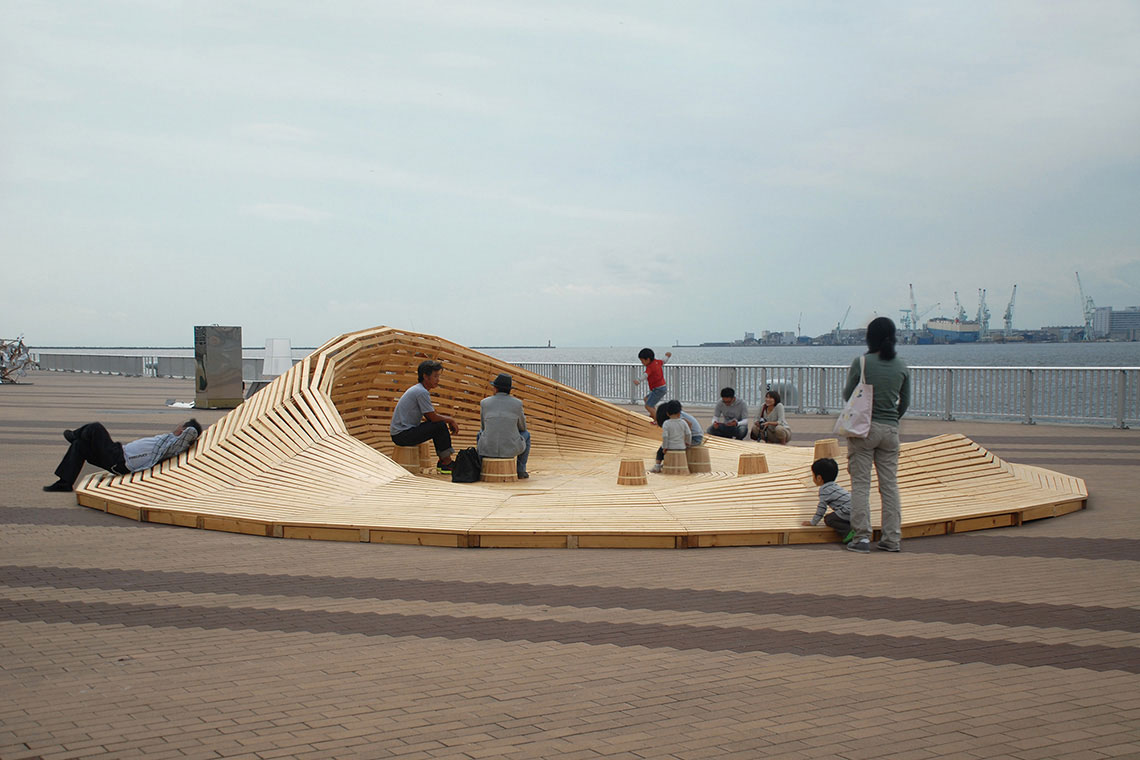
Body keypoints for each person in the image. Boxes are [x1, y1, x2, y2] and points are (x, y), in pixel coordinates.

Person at [843, 316, 911, 554]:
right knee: (890, 485)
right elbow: (905, 402)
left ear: (869, 337)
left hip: (864, 429)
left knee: (861, 484)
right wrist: (892, 418)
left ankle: (862, 537)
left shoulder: (862, 362)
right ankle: (892, 538)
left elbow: (847, 394)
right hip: (891, 430)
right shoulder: (901, 366)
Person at [43, 419, 202, 492]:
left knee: (96, 428)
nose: (178, 425)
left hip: (120, 459)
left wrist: (189, 430)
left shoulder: (173, 443)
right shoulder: (168, 440)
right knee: (80, 446)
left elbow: (190, 433)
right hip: (118, 455)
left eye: (181, 425)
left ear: (183, 431)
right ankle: (64, 483)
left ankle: (74, 435)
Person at [390, 360, 460, 474]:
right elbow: (433, 417)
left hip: (400, 433)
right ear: (425, 377)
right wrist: (451, 420)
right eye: (435, 376)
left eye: (438, 376)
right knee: (440, 425)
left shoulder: (418, 389)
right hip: (402, 435)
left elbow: (429, 416)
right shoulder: (421, 392)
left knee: (438, 425)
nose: (438, 380)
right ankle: (446, 463)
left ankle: (444, 461)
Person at [476, 373, 531, 479]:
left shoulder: (484, 403)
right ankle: (521, 470)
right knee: (526, 434)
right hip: (511, 448)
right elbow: (522, 428)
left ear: (495, 389)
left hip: (488, 448)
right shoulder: (517, 404)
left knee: (480, 434)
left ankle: (480, 467)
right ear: (509, 390)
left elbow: (483, 427)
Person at [801, 457, 854, 543]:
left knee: (829, 519)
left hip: (849, 511)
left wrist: (813, 522)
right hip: (857, 509)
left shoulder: (824, 490)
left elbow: (821, 509)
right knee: (839, 515)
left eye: (813, 475)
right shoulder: (835, 486)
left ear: (819, 478)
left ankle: (848, 532)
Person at [650, 400, 697, 473]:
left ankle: (657, 466)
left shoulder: (666, 423)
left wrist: (665, 447)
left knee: (660, 452)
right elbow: (688, 433)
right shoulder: (683, 422)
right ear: (679, 413)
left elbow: (665, 436)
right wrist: (687, 443)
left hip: (671, 446)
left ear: (667, 414)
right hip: (681, 447)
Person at [633, 348, 671, 421]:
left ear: (647, 359)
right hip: (660, 388)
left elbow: (645, 375)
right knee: (646, 399)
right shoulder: (657, 362)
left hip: (658, 389)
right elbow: (664, 361)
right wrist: (667, 356)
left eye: (642, 361)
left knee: (648, 406)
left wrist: (638, 380)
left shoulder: (650, 367)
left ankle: (658, 420)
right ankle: (653, 414)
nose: (642, 363)